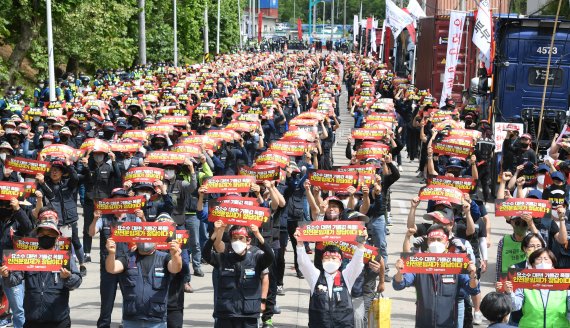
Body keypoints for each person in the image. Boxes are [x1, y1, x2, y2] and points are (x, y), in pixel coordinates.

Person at [1, 215, 82, 328]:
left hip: (58, 320)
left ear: (57, 237)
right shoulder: (28, 257)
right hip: (32, 319)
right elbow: (13, 281)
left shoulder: (64, 257)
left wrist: (68, 277)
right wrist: (7, 275)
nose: (45, 237)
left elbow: (77, 281)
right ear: (37, 237)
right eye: (42, 234)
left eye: (49, 234)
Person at [393, 224, 480, 328]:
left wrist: (472, 275)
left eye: (439, 239)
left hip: (449, 324)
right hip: (423, 324)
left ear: (447, 243)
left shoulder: (457, 264)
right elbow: (399, 285)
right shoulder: (419, 263)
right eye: (432, 239)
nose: (436, 243)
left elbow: (473, 289)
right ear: (427, 242)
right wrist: (399, 272)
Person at [203, 222, 275, 328]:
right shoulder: (223, 258)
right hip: (226, 314)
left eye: (241, 238)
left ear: (248, 240)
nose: (237, 241)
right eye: (234, 238)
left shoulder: (256, 258)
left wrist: (258, 235)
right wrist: (214, 233)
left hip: (248, 314)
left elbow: (270, 256)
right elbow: (206, 254)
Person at [293, 227, 367, 328]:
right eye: (326, 258)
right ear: (322, 261)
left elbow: (357, 264)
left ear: (340, 261)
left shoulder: (346, 276)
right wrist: (300, 244)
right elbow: (303, 263)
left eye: (334, 258)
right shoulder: (315, 276)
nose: (330, 261)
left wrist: (361, 244)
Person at [105, 235, 183, 327]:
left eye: (149, 237)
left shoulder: (164, 258)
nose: (146, 241)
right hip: (132, 318)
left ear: (157, 241)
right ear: (136, 240)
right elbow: (111, 269)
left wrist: (175, 255)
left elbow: (175, 269)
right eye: (143, 237)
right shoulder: (127, 257)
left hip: (156, 319)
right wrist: (111, 253)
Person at [503, 248, 570, 327]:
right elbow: (515, 306)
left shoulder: (564, 283)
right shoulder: (525, 282)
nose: (543, 262)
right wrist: (510, 293)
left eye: (546, 259)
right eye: (539, 259)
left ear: (552, 265)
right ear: (533, 265)